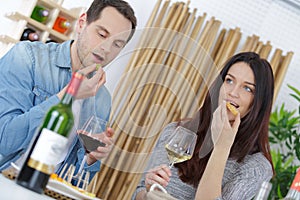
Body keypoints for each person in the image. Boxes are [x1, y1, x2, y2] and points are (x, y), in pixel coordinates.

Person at [0, 0, 137, 182]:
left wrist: (90, 158)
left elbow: (78, 181)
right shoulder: (26, 56)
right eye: (102, 34)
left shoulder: (103, 99)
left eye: (117, 44)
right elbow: (5, 140)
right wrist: (69, 95)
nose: (106, 48)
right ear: (81, 23)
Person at [132, 52, 275, 200]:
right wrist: (149, 191)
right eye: (229, 80)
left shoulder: (256, 167)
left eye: (247, 89)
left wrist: (221, 147)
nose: (232, 92)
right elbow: (138, 192)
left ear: (258, 103)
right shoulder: (176, 132)